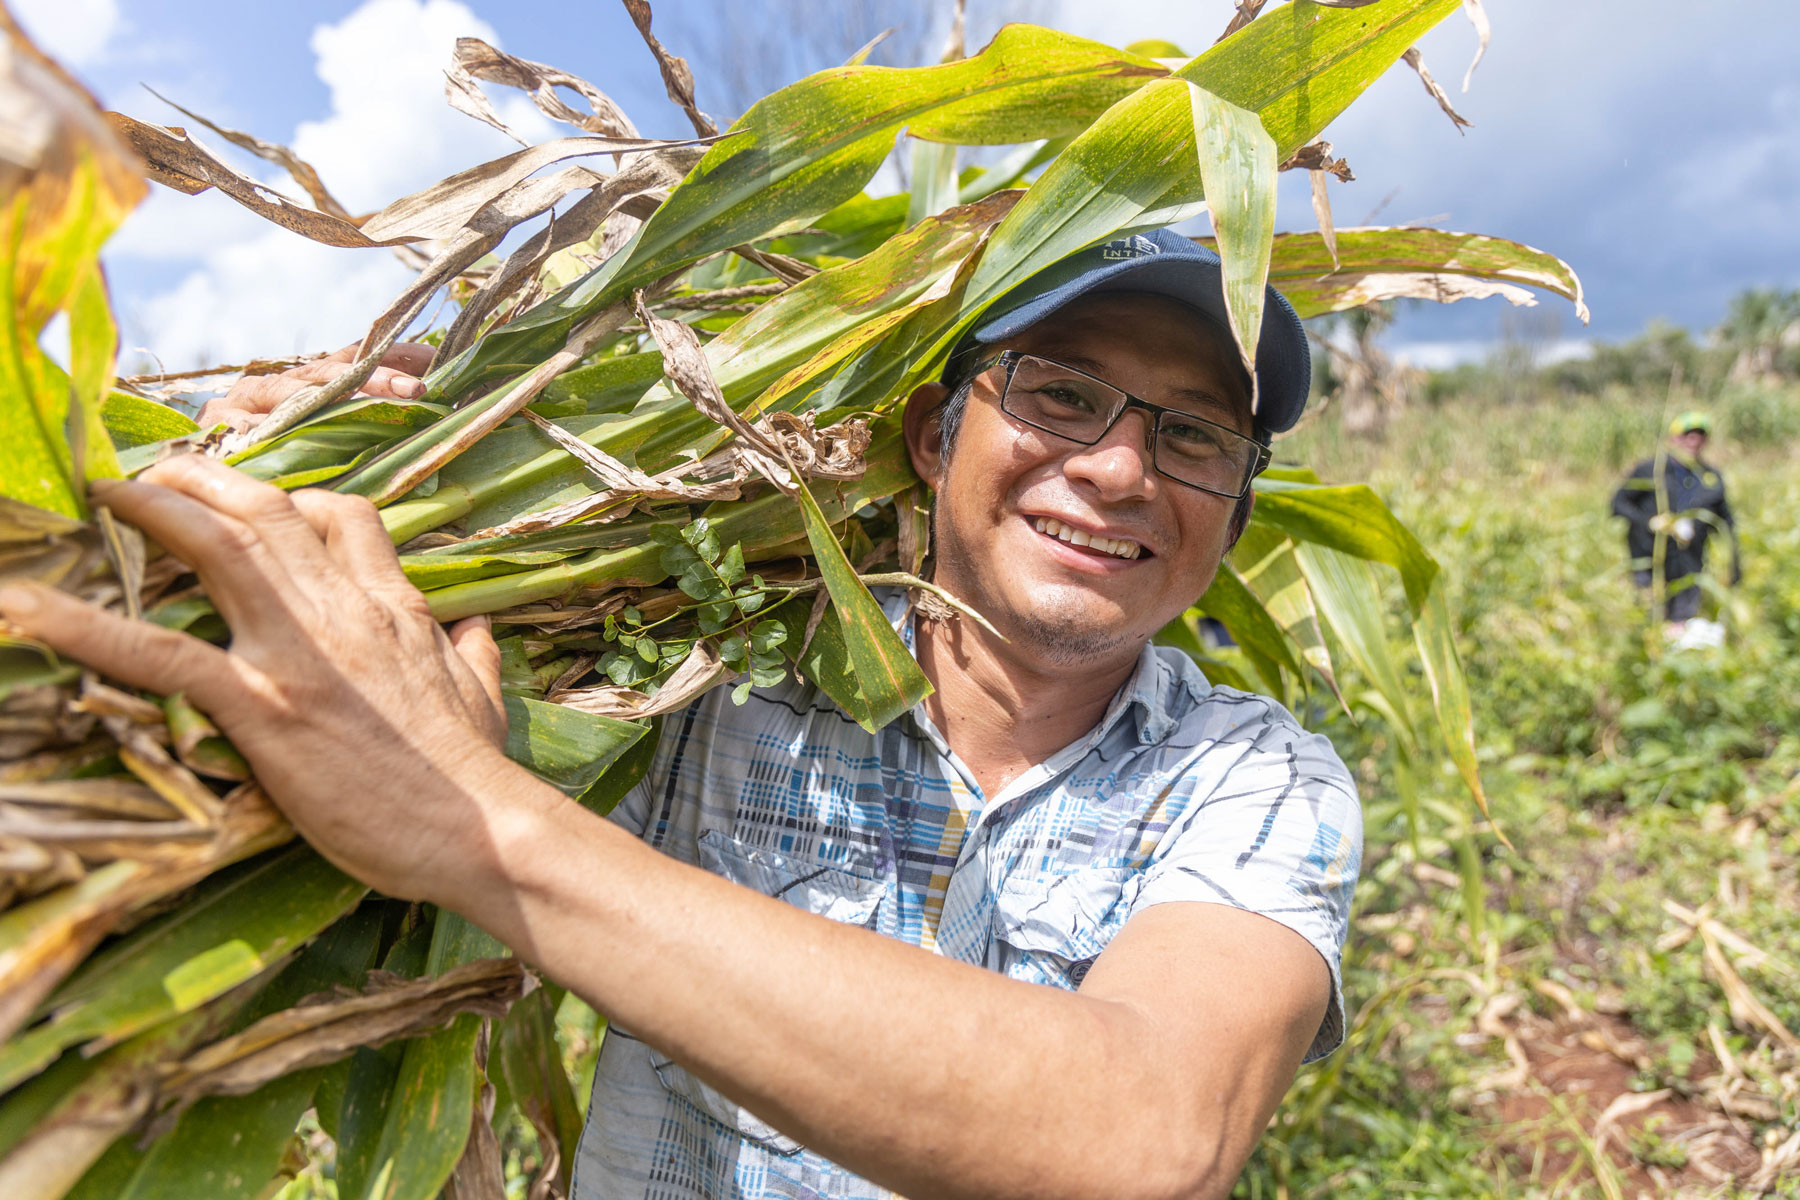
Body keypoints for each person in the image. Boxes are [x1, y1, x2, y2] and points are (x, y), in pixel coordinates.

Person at [0, 230, 1361, 1200]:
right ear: (940, 435)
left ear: (1233, 516)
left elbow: (1143, 1140)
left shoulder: (1255, 779)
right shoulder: (704, 675)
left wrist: (471, 820)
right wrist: (310, 484)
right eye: (1064, 394)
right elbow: (334, 711)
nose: (1123, 469)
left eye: (1197, 439)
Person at [1610, 411, 1739, 635]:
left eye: (1700, 435)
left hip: (1689, 564)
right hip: (1650, 560)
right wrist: (1649, 522)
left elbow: (1725, 522)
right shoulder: (1652, 470)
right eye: (1687, 435)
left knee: (1681, 624)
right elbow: (1618, 504)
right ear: (1673, 439)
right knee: (1649, 618)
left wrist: (1733, 563)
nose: (1694, 441)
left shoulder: (1710, 478)